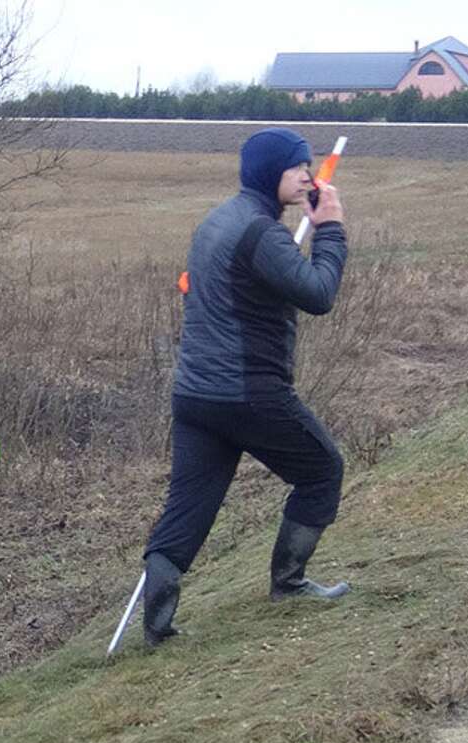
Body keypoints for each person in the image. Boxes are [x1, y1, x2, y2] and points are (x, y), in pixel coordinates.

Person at [138, 127, 350, 644]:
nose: (306, 174)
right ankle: (289, 583)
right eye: (295, 167)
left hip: (195, 396)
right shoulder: (262, 233)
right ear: (266, 172)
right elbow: (319, 294)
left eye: (309, 166)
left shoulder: (215, 223)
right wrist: (331, 230)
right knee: (323, 469)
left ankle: (158, 629)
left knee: (189, 507)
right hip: (248, 393)